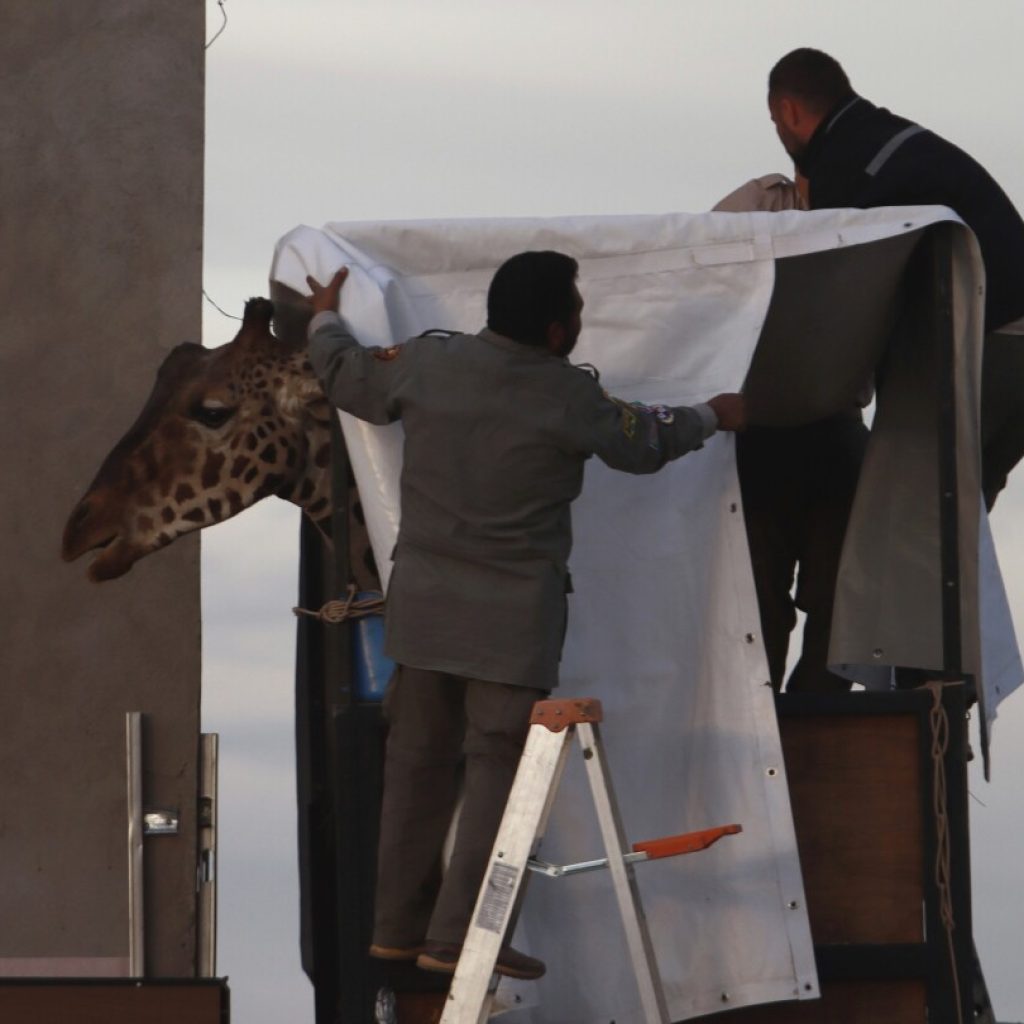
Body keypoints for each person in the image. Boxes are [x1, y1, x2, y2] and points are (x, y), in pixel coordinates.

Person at [304, 251, 746, 981]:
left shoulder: (427, 364)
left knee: (414, 772)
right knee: (493, 784)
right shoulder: (568, 397)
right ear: (553, 329)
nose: (578, 320)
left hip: (421, 619)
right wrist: (713, 414)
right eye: (575, 309)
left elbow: (346, 374)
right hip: (510, 630)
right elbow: (645, 443)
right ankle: (453, 937)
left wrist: (324, 314)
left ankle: (392, 932)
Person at [767, 47, 1024, 509]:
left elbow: (841, 299)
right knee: (963, 517)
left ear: (788, 111)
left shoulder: (844, 167)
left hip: (989, 341)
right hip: (1010, 340)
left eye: (776, 124)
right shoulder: (887, 140)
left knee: (920, 511)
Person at [713, 174, 865, 693]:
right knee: (757, 600)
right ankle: (762, 720)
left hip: (834, 435)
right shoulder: (759, 202)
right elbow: (701, 266)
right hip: (760, 435)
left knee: (839, 598)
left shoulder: (873, 208)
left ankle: (816, 713)